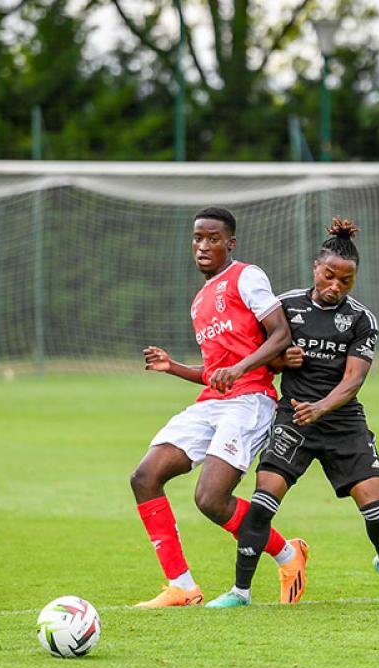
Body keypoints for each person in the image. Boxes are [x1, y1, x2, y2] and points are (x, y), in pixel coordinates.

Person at [206, 218, 379, 608]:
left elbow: (353, 380)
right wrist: (281, 361)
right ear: (315, 268)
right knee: (262, 503)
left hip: (342, 422)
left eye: (345, 281)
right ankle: (240, 592)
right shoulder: (286, 306)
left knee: (378, 511)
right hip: (294, 420)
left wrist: (321, 407)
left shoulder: (361, 320)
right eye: (329, 276)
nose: (335, 286)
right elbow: (264, 360)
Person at [131, 206, 309, 608]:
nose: (203, 246)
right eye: (198, 238)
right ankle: (182, 587)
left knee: (210, 499)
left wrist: (241, 367)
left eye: (213, 239)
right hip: (213, 402)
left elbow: (280, 335)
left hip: (250, 401)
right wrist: (173, 367)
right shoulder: (199, 302)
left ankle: (287, 554)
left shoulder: (247, 276)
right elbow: (215, 374)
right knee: (144, 477)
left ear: (230, 243)